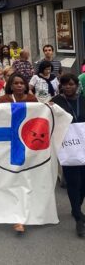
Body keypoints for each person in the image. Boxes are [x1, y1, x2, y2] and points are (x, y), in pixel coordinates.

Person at [0, 73, 37, 235]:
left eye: (22, 83)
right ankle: (17, 217)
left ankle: (23, 216)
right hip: (9, 147)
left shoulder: (33, 100)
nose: (19, 85)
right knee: (13, 182)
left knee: (25, 182)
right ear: (11, 85)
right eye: (16, 83)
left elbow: (38, 119)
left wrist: (47, 107)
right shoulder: (4, 100)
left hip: (27, 147)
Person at [50, 73, 85, 237]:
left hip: (83, 146)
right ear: (61, 86)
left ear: (77, 85)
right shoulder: (56, 102)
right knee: (73, 182)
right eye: (66, 84)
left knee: (83, 183)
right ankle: (78, 217)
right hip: (68, 147)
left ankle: (76, 206)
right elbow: (45, 116)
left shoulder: (83, 100)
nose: (69, 87)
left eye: (72, 84)